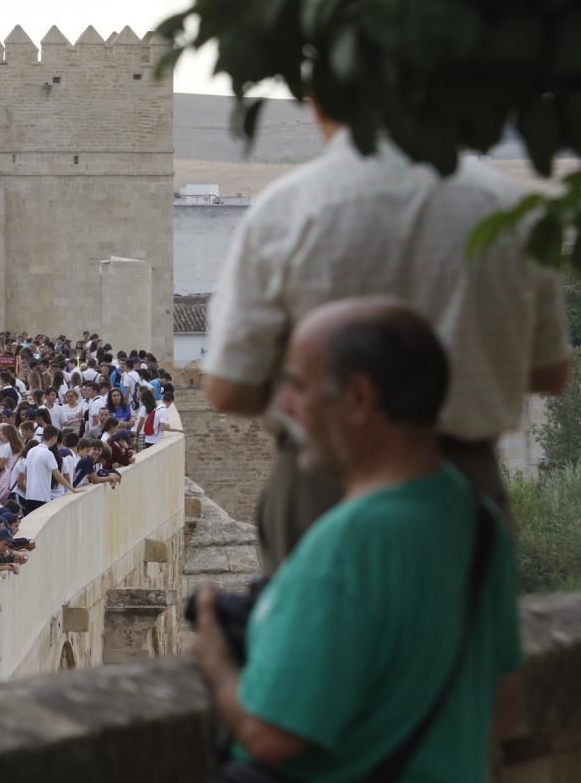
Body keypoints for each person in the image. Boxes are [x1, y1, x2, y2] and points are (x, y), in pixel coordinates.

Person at [202, 103, 570, 575]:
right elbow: (550, 371)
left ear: (317, 102)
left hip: (325, 483)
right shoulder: (509, 209)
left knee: (321, 641)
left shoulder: (287, 209)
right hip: (462, 478)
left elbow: (229, 389)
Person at [192, 299, 523, 780]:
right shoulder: (477, 520)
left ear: (360, 399)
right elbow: (506, 703)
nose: (285, 405)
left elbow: (270, 734)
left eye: (300, 387)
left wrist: (217, 662)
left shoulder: (343, 548)